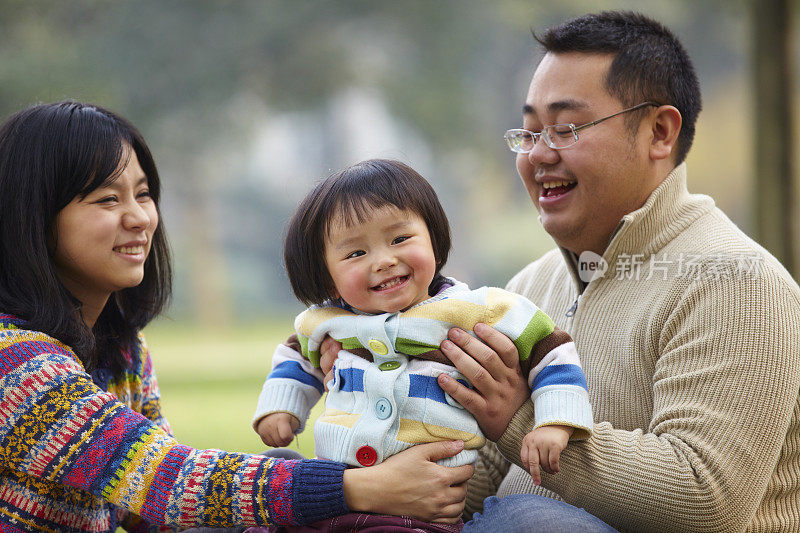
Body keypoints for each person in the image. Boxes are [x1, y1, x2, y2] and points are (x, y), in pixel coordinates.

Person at [0, 101, 474, 532]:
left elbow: (152, 515)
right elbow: (162, 479)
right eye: (107, 199)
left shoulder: (121, 350)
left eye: (142, 195)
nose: (140, 218)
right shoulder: (13, 362)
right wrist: (361, 488)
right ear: (35, 216)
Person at [417, 10, 800, 532]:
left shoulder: (736, 281)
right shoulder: (528, 287)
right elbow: (478, 480)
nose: (538, 155)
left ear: (659, 133)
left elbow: (705, 499)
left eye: (566, 128)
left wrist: (521, 421)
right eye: (528, 132)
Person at [250, 159, 592, 523]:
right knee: (270, 476)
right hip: (337, 495)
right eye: (355, 253)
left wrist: (555, 421)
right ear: (328, 278)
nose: (383, 260)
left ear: (434, 241)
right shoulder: (329, 322)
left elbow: (551, 350)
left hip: (426, 510)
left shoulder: (478, 309)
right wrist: (282, 405)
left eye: (399, 239)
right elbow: (296, 355)